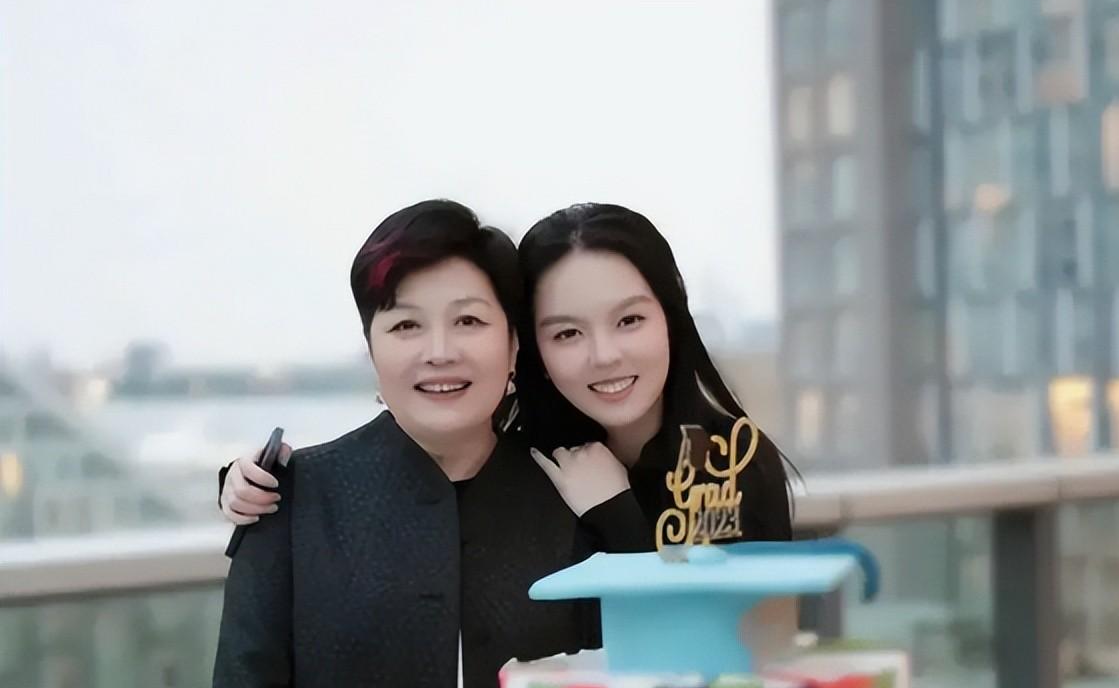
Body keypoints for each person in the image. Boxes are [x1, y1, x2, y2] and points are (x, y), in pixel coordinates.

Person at [209, 200, 600, 688]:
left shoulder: (572, 494)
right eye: (405, 325)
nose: (439, 351)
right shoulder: (295, 497)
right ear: (372, 349)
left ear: (514, 345)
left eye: (469, 321)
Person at [219, 204, 796, 551]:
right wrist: (246, 481)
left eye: (629, 321)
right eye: (566, 333)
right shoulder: (528, 463)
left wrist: (615, 513)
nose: (604, 356)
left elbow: (729, 642)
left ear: (671, 318)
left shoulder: (732, 462)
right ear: (529, 348)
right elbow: (407, 471)